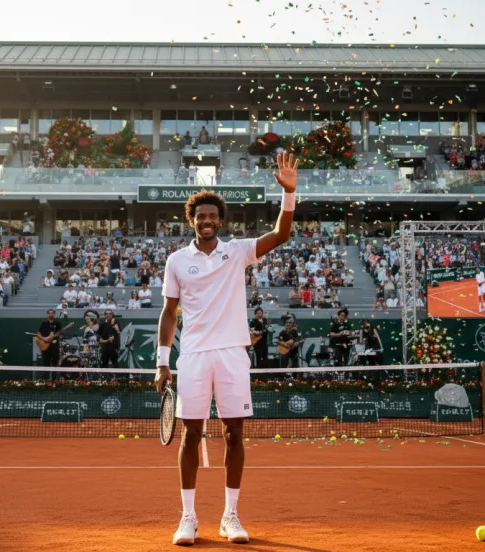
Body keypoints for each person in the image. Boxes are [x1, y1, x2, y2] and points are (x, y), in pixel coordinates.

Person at [155, 151, 299, 545]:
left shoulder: (236, 252)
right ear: (193, 220)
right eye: (200, 216)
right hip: (195, 356)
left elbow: (281, 235)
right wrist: (162, 363)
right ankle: (188, 518)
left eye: (212, 216)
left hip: (233, 354)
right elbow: (169, 313)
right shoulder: (176, 261)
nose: (206, 220)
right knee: (191, 436)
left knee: (234, 435)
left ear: (220, 220)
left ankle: (230, 516)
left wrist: (289, 194)